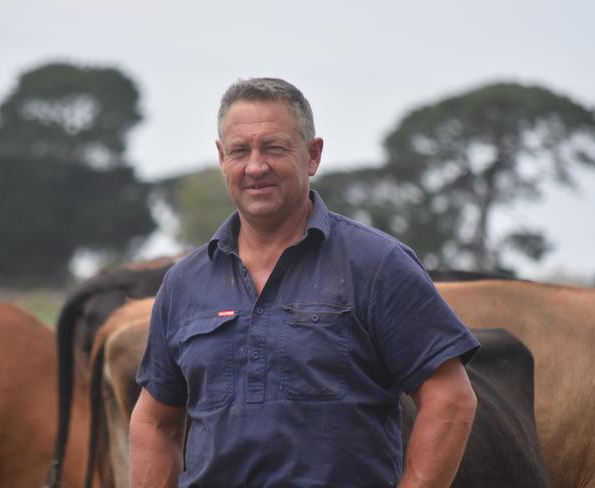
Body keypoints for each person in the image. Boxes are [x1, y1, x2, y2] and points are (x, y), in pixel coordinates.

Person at [130, 78, 479, 488]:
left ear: (312, 156)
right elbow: (154, 420)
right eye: (240, 151)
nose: (255, 166)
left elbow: (451, 399)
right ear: (222, 157)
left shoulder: (377, 265)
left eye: (274, 148)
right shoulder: (185, 283)